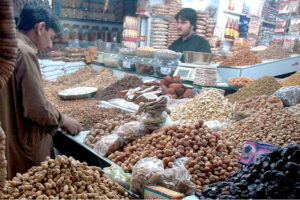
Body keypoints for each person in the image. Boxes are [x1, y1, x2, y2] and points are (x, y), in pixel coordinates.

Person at [0, 1, 81, 179]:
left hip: (12, 140)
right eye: (51, 37)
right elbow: (36, 108)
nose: (51, 45)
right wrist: (62, 119)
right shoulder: (26, 52)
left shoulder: (10, 47)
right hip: (24, 150)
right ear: (40, 27)